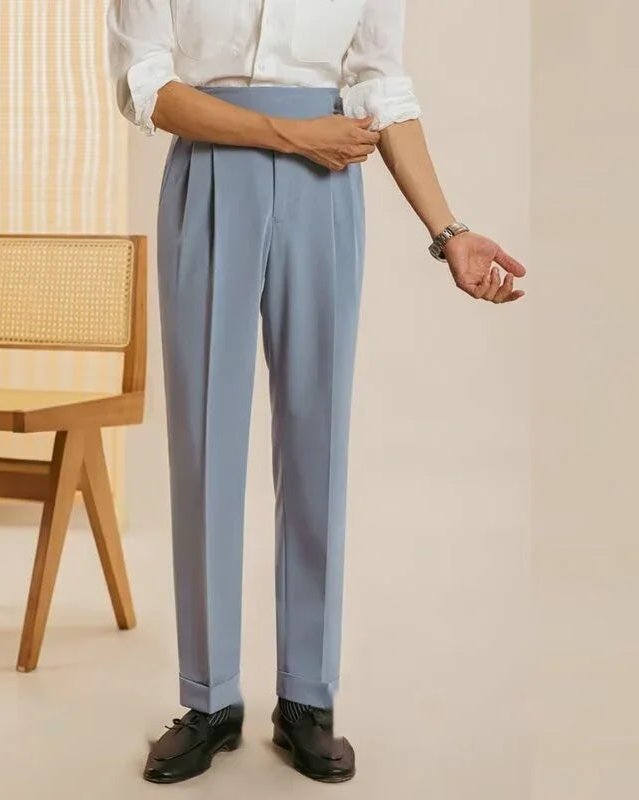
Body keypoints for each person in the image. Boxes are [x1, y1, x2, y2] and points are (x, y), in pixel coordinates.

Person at [108, 0, 526, 784]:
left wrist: (449, 232)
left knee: (317, 439)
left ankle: (308, 698)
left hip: (325, 190)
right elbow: (147, 85)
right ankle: (209, 699)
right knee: (204, 443)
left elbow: (381, 88)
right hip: (209, 171)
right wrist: (289, 132)